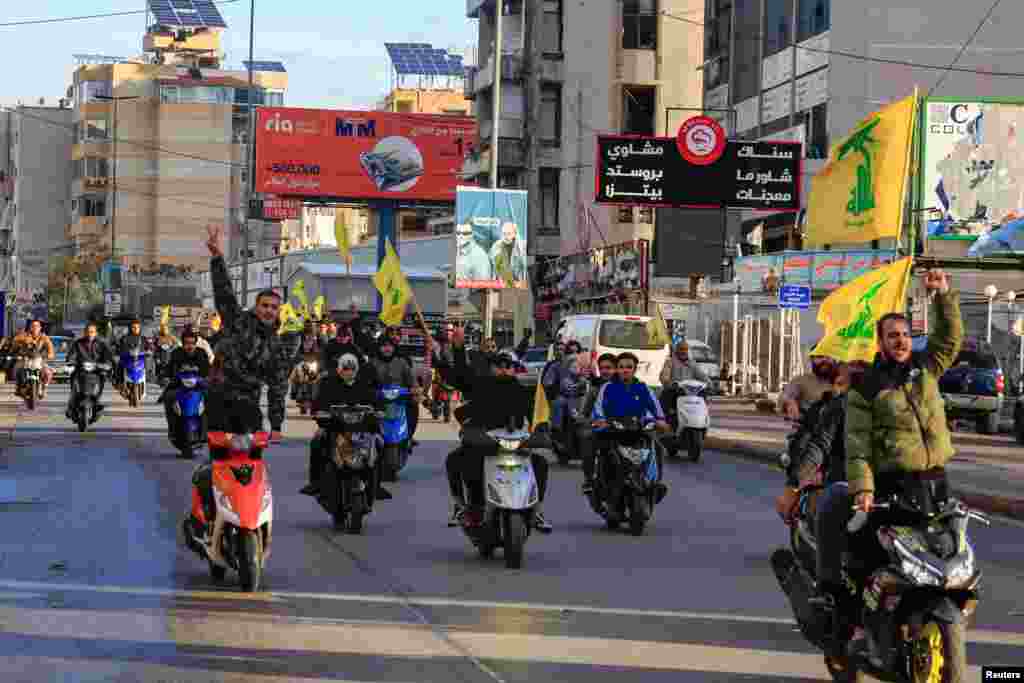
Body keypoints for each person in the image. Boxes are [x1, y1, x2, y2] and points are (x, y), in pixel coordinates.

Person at [842, 269, 962, 657]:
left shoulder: (925, 370)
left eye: (906, 335)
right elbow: (857, 445)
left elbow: (950, 339)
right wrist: (863, 489)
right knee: (869, 555)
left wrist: (942, 294)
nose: (901, 341)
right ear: (879, 342)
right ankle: (860, 626)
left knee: (949, 554)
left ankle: (946, 617)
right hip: (893, 485)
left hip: (935, 481)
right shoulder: (867, 386)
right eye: (892, 336)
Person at [446, 328, 552, 533]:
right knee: (457, 460)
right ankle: (464, 507)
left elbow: (537, 415)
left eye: (509, 366)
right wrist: (458, 348)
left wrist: (541, 431)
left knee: (540, 464)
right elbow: (461, 377)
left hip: (514, 445)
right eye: (499, 365)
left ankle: (536, 509)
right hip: (483, 443)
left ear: (514, 369)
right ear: (492, 367)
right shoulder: (480, 385)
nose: (504, 369)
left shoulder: (524, 391)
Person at [205, 224, 302, 442]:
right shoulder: (237, 322)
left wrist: (276, 425)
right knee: (219, 454)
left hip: (249, 404)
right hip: (219, 396)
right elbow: (224, 293)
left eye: (273, 307)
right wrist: (217, 257)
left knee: (252, 453)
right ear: (256, 307)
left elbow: (278, 387)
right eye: (264, 305)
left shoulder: (278, 346)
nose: (269, 310)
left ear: (279, 311)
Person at [183, 354, 265, 545]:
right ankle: (203, 524)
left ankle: (259, 518)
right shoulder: (210, 391)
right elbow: (202, 417)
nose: (226, 376)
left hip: (249, 457)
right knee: (203, 478)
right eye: (224, 370)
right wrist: (202, 433)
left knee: (262, 485)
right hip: (221, 456)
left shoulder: (249, 395)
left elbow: (258, 424)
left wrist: (262, 436)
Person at [300, 352, 391, 500]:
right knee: (317, 441)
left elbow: (376, 401)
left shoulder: (364, 384)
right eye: (345, 368)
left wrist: (380, 411)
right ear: (339, 369)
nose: (348, 371)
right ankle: (315, 482)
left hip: (362, 428)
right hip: (335, 427)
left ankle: (377, 484)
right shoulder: (328, 383)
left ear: (356, 369)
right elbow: (319, 402)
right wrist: (319, 412)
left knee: (381, 441)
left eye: (351, 368)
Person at [592, 352, 670, 500]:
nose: (625, 370)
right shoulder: (607, 388)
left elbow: (656, 409)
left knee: (658, 448)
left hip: (638, 430)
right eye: (621, 367)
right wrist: (600, 421)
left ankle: (655, 484)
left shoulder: (643, 388)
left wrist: (660, 421)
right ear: (617, 369)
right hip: (614, 431)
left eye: (629, 367)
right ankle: (601, 486)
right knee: (603, 452)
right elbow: (598, 409)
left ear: (634, 369)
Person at [160, 327, 212, 439]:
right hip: (179, 385)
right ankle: (173, 430)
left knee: (212, 399)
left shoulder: (201, 353)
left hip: (199, 385)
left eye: (192, 343)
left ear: (196, 343)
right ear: (182, 343)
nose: (190, 346)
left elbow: (208, 369)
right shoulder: (176, 353)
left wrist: (209, 379)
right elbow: (169, 368)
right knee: (168, 397)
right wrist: (164, 377)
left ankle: (207, 431)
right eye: (187, 343)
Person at [581, 353, 618, 496]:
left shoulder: (627, 385)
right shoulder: (595, 390)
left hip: (627, 429)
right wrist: (590, 422)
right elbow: (585, 414)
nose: (605, 371)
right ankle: (589, 479)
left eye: (608, 368)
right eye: (602, 368)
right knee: (587, 439)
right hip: (603, 430)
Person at [65, 322, 114, 420]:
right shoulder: (78, 343)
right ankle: (71, 405)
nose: (89, 334)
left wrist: (106, 365)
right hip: (80, 371)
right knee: (74, 382)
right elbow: (72, 355)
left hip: (97, 371)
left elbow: (108, 356)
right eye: (87, 332)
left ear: (96, 333)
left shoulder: (102, 344)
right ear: (84, 332)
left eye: (92, 332)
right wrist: (71, 363)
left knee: (102, 379)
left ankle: (97, 403)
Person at [658, 341, 711, 418]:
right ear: (677, 350)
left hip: (691, 392)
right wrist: (668, 382)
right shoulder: (670, 362)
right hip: (675, 390)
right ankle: (666, 419)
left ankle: (702, 417)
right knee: (665, 396)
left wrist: (709, 383)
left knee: (703, 395)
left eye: (685, 349)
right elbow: (664, 375)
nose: (684, 351)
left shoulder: (692, 363)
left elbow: (702, 375)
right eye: (681, 349)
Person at [779, 352, 838, 420]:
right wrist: (790, 402)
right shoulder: (801, 381)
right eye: (820, 357)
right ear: (812, 359)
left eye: (828, 357)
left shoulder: (842, 381)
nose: (824, 360)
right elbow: (787, 395)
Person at [12, 319, 55, 397]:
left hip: (39, 360)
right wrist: (20, 344)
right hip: (25, 359)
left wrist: (50, 355)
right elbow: (15, 342)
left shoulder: (44, 337)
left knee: (48, 373)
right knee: (17, 369)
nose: (35, 328)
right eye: (33, 326)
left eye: (37, 326)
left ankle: (44, 389)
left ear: (40, 328)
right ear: (30, 327)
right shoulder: (24, 335)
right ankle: (18, 387)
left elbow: (50, 348)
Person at [114, 318, 146, 387]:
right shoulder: (124, 338)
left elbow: (149, 346)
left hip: (139, 359)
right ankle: (119, 381)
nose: (136, 329)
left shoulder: (143, 338)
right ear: (130, 328)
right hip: (127, 358)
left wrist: (149, 350)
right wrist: (119, 352)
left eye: (137, 327)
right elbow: (119, 347)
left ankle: (146, 378)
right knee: (119, 364)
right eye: (134, 327)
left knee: (146, 364)